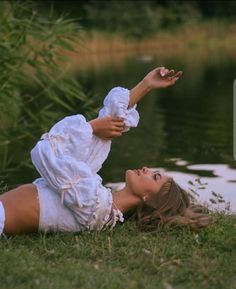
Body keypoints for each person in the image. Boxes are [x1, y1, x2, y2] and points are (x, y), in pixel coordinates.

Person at [0, 67, 210, 236]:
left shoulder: (94, 205)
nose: (146, 168)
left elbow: (44, 152)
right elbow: (105, 129)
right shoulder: (99, 199)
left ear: (149, 198)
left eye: (154, 176)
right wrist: (146, 86)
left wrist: (90, 126)